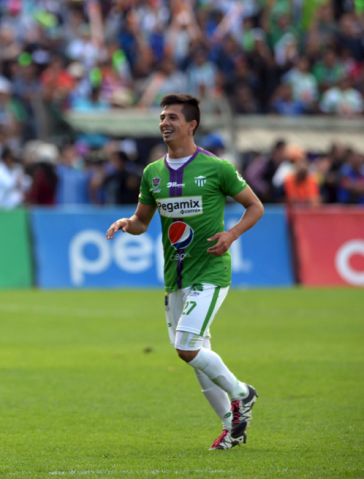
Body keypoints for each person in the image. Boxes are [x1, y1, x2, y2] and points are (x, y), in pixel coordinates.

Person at [106, 94, 265, 451]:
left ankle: (243, 394)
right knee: (197, 357)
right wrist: (125, 224)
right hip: (175, 275)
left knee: (186, 346)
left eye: (173, 117)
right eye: (162, 117)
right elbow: (142, 221)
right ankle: (232, 427)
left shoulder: (217, 168)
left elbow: (255, 207)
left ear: (191, 125)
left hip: (210, 269)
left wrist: (231, 234)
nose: (164, 122)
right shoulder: (152, 173)